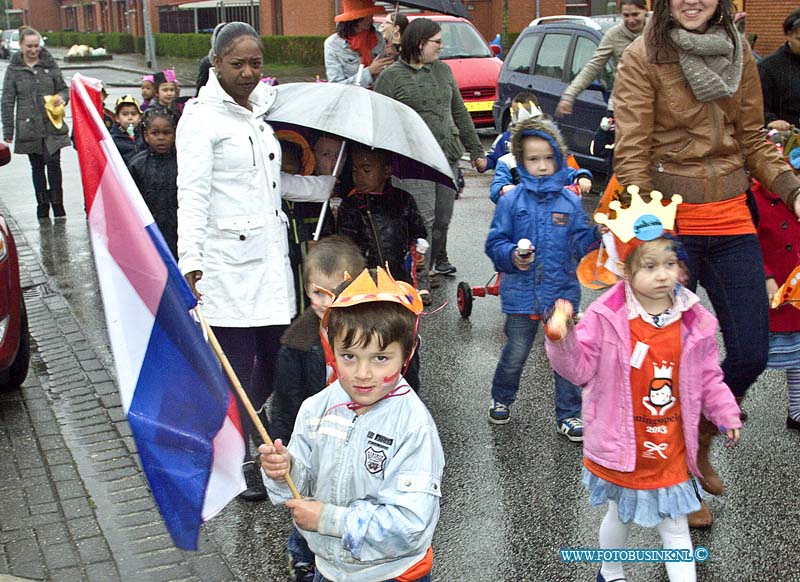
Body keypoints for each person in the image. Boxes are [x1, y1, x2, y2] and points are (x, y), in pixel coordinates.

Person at [612, 0, 800, 513]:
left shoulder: (738, 51)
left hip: (732, 218)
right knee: (664, 362)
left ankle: (698, 434)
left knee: (750, 353)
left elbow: (754, 140)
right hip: (669, 225)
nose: (692, 1)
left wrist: (791, 189)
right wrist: (651, 235)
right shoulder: (642, 55)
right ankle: (681, 480)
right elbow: (631, 151)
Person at [176, 22, 336, 502]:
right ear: (216, 63)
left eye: (256, 63)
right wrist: (192, 262)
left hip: (268, 266)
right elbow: (193, 195)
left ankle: (275, 445)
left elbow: (271, 184)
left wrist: (323, 188)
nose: (248, 72)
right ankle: (242, 456)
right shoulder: (201, 119)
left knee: (280, 360)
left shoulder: (259, 112)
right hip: (226, 269)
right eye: (237, 63)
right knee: (242, 371)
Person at [545, 192, 742, 581]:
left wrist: (725, 412)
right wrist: (561, 339)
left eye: (670, 263)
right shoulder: (606, 317)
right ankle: (611, 571)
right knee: (618, 514)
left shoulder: (693, 320)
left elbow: (708, 376)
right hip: (623, 445)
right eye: (649, 266)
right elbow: (580, 370)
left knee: (675, 525)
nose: (663, 275)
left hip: (670, 447)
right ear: (625, 269)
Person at [261, 266, 444, 582]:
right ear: (331, 350)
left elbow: (411, 526)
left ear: (407, 353)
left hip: (390, 574)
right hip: (329, 571)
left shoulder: (413, 426)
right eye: (349, 356)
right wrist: (283, 471)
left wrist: (329, 520)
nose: (362, 373)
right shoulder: (316, 409)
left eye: (380, 358)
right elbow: (298, 486)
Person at [484, 117, 599, 438]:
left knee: (565, 355)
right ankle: (502, 396)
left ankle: (569, 414)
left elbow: (579, 244)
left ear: (559, 158)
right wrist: (511, 256)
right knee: (516, 351)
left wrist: (596, 237)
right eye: (534, 160)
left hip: (560, 294)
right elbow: (495, 243)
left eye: (549, 158)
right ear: (521, 162)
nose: (543, 166)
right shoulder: (511, 200)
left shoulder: (570, 201)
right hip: (520, 294)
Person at [269, 236, 366, 582]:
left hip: (355, 427)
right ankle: (302, 554)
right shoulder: (297, 341)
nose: (326, 302)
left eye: (335, 292)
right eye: (317, 293)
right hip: (314, 433)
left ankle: (349, 548)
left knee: (347, 493)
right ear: (306, 290)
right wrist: (284, 444)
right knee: (308, 499)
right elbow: (286, 397)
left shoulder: (366, 333)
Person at [375, 18, 487, 293]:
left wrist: (476, 150)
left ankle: (432, 264)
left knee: (442, 219)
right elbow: (379, 121)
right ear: (419, 43)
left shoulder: (443, 71)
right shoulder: (391, 77)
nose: (441, 46)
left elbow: (459, 111)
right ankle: (418, 280)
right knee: (421, 221)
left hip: (446, 156)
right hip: (413, 161)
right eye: (436, 41)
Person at [2, 27, 70, 220]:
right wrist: (8, 130)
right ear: (21, 46)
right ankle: (42, 206)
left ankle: (58, 205)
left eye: (36, 46)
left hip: (52, 125)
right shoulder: (14, 70)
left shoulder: (50, 65)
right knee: (37, 167)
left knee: (54, 164)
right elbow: (7, 100)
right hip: (28, 127)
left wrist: (61, 98)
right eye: (29, 46)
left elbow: (64, 90)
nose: (33, 50)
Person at [336, 146, 427, 288]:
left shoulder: (403, 199)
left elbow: (418, 232)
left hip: (400, 277)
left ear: (387, 171)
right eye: (354, 170)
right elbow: (345, 244)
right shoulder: (351, 205)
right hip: (365, 280)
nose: (359, 176)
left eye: (366, 170)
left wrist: (418, 253)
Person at [752, 178, 800, 431]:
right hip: (773, 289)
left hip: (797, 288)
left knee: (799, 356)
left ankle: (797, 409)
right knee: (753, 357)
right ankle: (726, 402)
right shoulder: (755, 199)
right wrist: (765, 275)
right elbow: (748, 245)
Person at [488, 92, 593, 203]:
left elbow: (569, 172)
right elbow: (497, 186)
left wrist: (582, 177)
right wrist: (503, 188)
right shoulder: (507, 161)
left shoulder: (553, 159)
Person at [555, 0, 648, 119]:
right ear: (620, 14)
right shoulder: (613, 35)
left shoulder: (656, 31)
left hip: (652, 104)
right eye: (626, 15)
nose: (631, 20)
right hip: (623, 106)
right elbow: (593, 67)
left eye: (635, 14)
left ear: (645, 10)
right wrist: (569, 95)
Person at [128, 107, 180, 259]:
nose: (161, 138)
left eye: (166, 133)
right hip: (150, 232)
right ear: (146, 135)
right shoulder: (137, 165)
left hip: (178, 231)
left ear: (175, 133)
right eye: (155, 133)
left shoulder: (184, 162)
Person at [324, 0, 393, 87]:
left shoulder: (378, 38)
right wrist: (369, 72)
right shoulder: (333, 44)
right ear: (354, 19)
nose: (371, 20)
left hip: (378, 95)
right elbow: (336, 85)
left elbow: (386, 72)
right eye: (365, 17)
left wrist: (392, 58)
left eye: (371, 16)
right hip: (352, 98)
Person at [757, 7, 800, 131]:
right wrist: (772, 121)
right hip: (786, 138)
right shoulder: (768, 67)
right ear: (788, 35)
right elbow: (756, 107)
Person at [110, 95, 144, 165]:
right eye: (125, 114)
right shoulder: (113, 140)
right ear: (117, 118)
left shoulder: (145, 136)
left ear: (140, 117)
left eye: (134, 114)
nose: (130, 118)